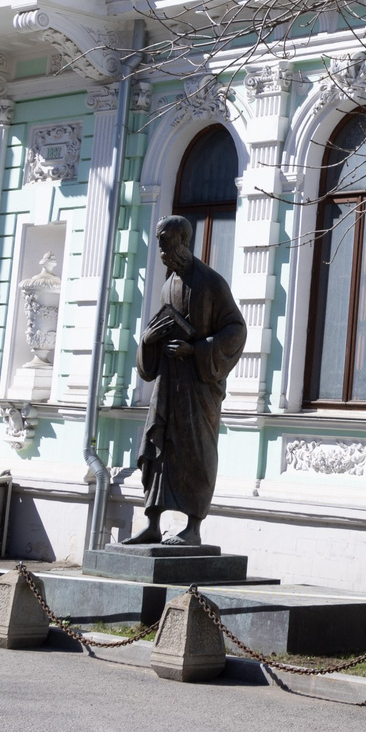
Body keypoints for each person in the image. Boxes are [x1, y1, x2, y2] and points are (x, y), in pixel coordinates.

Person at [125, 214, 246, 547]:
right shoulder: (169, 284)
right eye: (160, 248)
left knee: (196, 452)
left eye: (166, 246)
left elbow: (236, 330)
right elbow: (161, 330)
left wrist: (195, 350)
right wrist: (148, 341)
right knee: (160, 449)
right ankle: (152, 523)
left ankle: (192, 528)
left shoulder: (210, 282)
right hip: (168, 386)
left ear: (182, 242)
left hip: (198, 387)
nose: (163, 254)